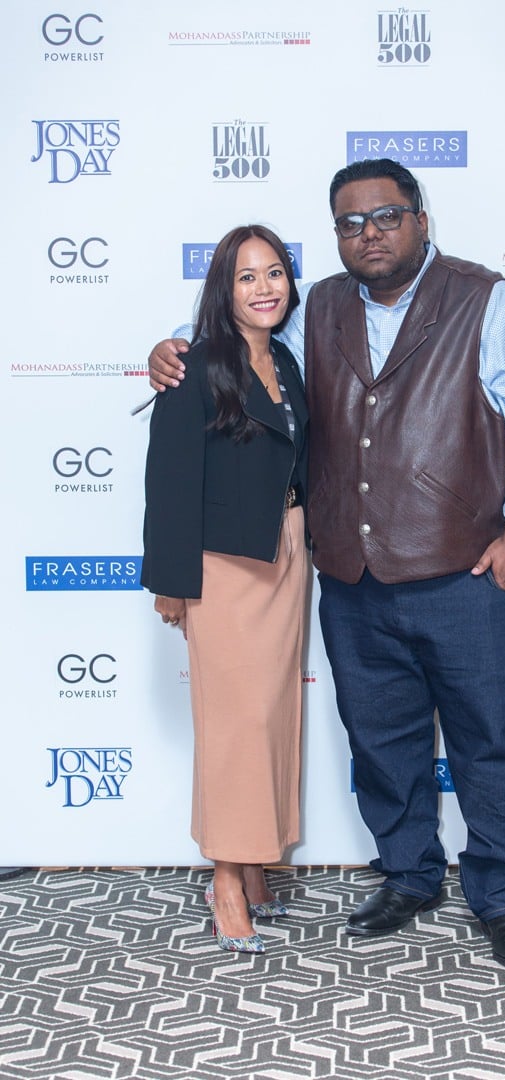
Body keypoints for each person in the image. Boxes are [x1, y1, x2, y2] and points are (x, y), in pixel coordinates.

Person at [148, 159, 505, 971]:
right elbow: (238, 334)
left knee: (491, 738)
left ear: (421, 219)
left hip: (466, 569)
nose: (369, 234)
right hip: (352, 576)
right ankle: (408, 874)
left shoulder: (488, 300)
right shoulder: (319, 306)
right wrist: (171, 347)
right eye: (350, 223)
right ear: (337, 236)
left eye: (385, 216)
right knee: (382, 740)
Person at [142, 224, 309, 954]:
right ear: (223, 289)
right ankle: (225, 882)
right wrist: (172, 582)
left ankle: (254, 861)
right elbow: (170, 478)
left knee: (272, 716)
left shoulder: (287, 361)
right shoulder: (196, 364)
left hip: (287, 552)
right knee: (234, 724)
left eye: (274, 273)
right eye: (247, 277)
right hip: (224, 567)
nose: (264, 288)